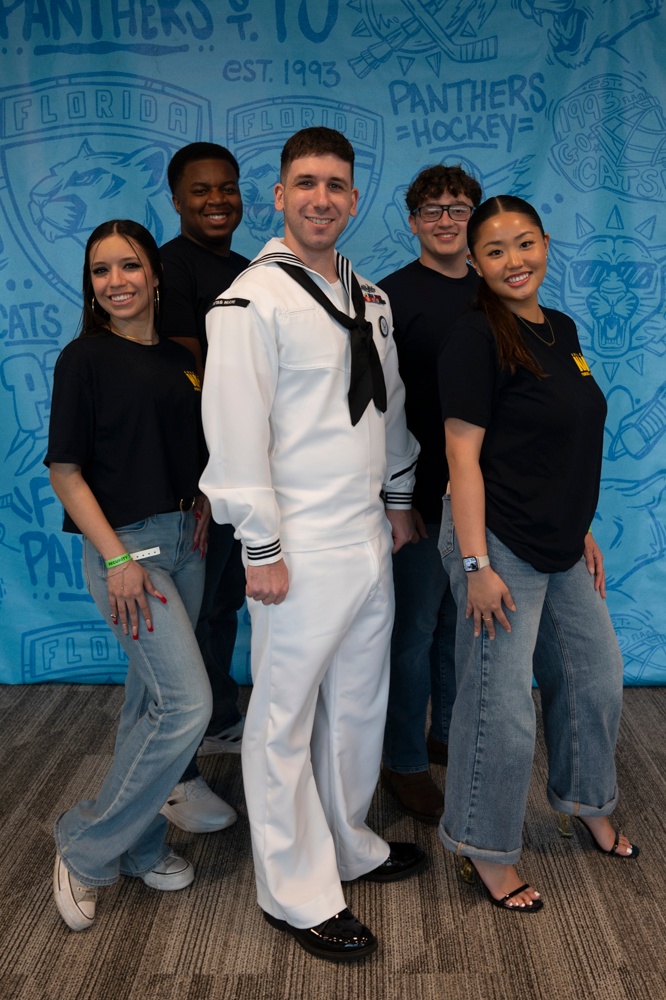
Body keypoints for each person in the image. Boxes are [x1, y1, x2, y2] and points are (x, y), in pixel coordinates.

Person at [200, 127, 425, 962]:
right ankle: (294, 892)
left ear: (355, 198)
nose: (321, 198)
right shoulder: (253, 298)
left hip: (367, 531)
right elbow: (233, 430)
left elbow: (390, 406)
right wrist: (260, 547)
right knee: (284, 720)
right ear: (280, 196)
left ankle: (348, 844)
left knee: (358, 703)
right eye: (305, 183)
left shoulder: (369, 295)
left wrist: (400, 499)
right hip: (296, 544)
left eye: (336, 184)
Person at [437, 195, 638, 912]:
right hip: (495, 542)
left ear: (546, 244)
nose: (513, 261)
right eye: (495, 251)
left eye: (524, 244)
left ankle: (585, 801)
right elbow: (463, 461)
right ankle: (482, 848)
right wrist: (474, 565)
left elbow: (560, 441)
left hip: (559, 538)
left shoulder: (561, 328)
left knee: (595, 674)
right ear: (475, 261)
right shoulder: (472, 338)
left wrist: (577, 522)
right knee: (501, 705)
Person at [45, 220, 213, 931]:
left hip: (186, 541)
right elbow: (65, 471)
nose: (115, 281)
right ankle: (86, 846)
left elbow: (191, 442)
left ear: (153, 274)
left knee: (149, 708)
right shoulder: (83, 358)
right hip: (128, 551)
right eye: (100, 270)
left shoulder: (180, 359)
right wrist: (114, 556)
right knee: (187, 705)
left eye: (129, 266)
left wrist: (201, 496)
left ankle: (143, 847)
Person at [379, 165, 481, 824]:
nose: (447, 220)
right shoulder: (388, 298)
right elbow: (377, 410)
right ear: (413, 221)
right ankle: (404, 761)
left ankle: (446, 731)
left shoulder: (494, 291)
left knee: (459, 627)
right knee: (413, 631)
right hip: (415, 494)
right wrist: (397, 498)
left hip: (478, 494)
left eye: (459, 208)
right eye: (433, 210)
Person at [157, 142, 250, 834]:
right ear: (177, 199)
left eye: (227, 188)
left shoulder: (247, 271)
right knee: (184, 620)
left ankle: (218, 722)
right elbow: (199, 374)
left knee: (223, 604)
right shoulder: (170, 265)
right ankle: (174, 774)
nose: (216, 201)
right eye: (200, 191)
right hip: (200, 472)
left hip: (243, 465)